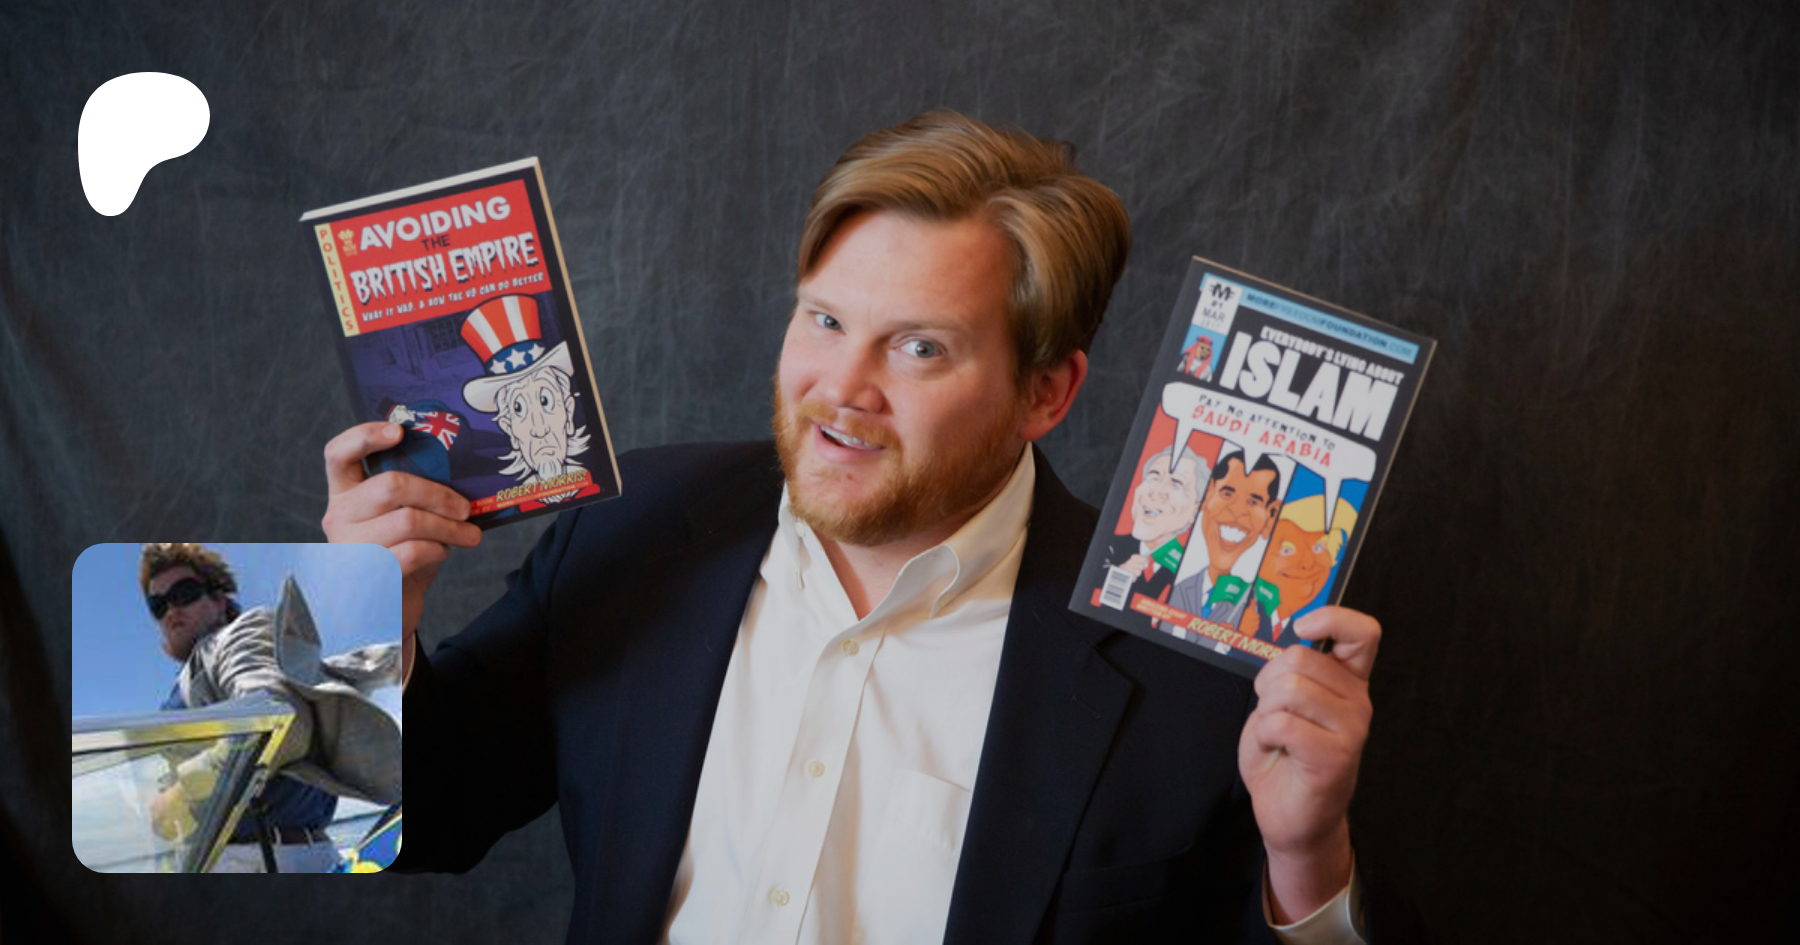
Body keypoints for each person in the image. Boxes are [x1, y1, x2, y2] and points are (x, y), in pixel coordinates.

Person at [323, 112, 1381, 942]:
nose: (842, 389)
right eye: (825, 320)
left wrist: (1307, 863)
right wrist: (357, 626)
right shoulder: (630, 530)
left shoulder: (1190, 662)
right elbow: (394, 822)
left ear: (1046, 393)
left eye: (920, 348)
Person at [140, 543, 402, 872]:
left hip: (263, 858)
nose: (171, 610)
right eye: (158, 605)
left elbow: (278, 718)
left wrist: (182, 791)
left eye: (184, 593)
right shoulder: (186, 683)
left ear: (219, 601)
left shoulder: (235, 635)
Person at [459, 293, 600, 509]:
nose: (539, 429)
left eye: (545, 402)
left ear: (568, 409)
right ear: (508, 428)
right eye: (519, 409)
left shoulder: (600, 482)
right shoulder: (506, 507)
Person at [1167, 450, 1286, 633]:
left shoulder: (1261, 612)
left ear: (1270, 516)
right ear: (1207, 494)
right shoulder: (1173, 589)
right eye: (1227, 493)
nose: (1237, 511)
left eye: (1253, 502)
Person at [1242, 495, 1360, 646]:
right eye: (1287, 550)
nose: (1307, 563)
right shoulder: (1234, 608)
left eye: (1319, 548)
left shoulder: (1295, 635)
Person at [1101, 444, 1203, 614]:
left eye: (1176, 484)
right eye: (1153, 478)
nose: (1156, 492)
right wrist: (1119, 576)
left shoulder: (1193, 576)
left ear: (1195, 510)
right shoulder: (1107, 548)